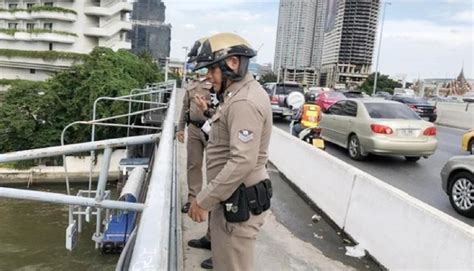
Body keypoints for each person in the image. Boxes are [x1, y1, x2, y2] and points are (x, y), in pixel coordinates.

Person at [188, 32, 273, 271]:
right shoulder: (235, 96)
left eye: (212, 70)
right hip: (231, 198)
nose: (208, 77)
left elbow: (241, 161)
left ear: (233, 63)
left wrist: (203, 200)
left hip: (238, 201)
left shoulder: (244, 102)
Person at [176, 40, 213, 214]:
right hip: (194, 129)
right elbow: (184, 109)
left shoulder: (215, 84)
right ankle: (193, 199)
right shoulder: (191, 86)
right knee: (193, 164)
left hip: (211, 129)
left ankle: (212, 201)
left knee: (213, 164)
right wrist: (180, 128)